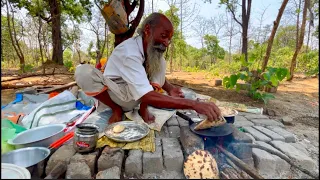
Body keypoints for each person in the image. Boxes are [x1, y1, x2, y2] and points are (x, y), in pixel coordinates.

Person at [75, 13, 221, 124]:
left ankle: (143, 108)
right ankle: (116, 109)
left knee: (160, 61)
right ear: (147, 30)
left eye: (169, 39)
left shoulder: (151, 51)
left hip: (137, 97)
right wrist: (194, 105)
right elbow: (146, 94)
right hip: (117, 95)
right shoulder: (129, 52)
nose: (166, 43)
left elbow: (154, 77)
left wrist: (170, 89)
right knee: (83, 72)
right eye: (163, 36)